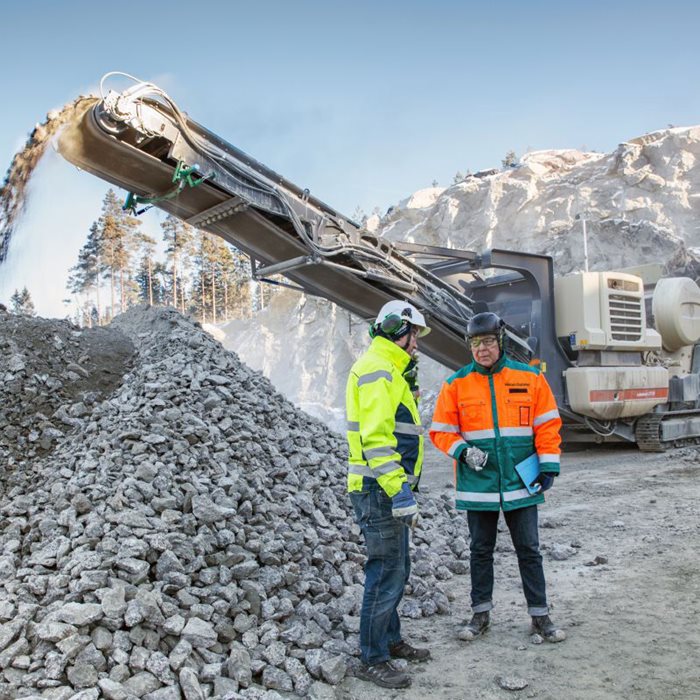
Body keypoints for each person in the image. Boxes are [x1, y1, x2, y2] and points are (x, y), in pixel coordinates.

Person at [429, 311, 566, 643]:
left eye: (488, 341)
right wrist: (463, 450)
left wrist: (548, 464)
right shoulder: (455, 384)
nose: (482, 349)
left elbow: (547, 424)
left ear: (500, 341)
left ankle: (540, 616)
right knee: (480, 551)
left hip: (521, 482)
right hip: (480, 485)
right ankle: (480, 615)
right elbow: (441, 431)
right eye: (475, 343)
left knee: (529, 550)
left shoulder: (530, 378)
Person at [346, 299, 432, 689]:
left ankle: (390, 639)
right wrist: (399, 491)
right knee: (385, 573)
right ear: (400, 331)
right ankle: (372, 657)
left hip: (385, 488)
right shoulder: (379, 370)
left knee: (398, 567)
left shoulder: (390, 370)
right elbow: (377, 441)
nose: (417, 344)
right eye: (414, 336)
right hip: (380, 489)